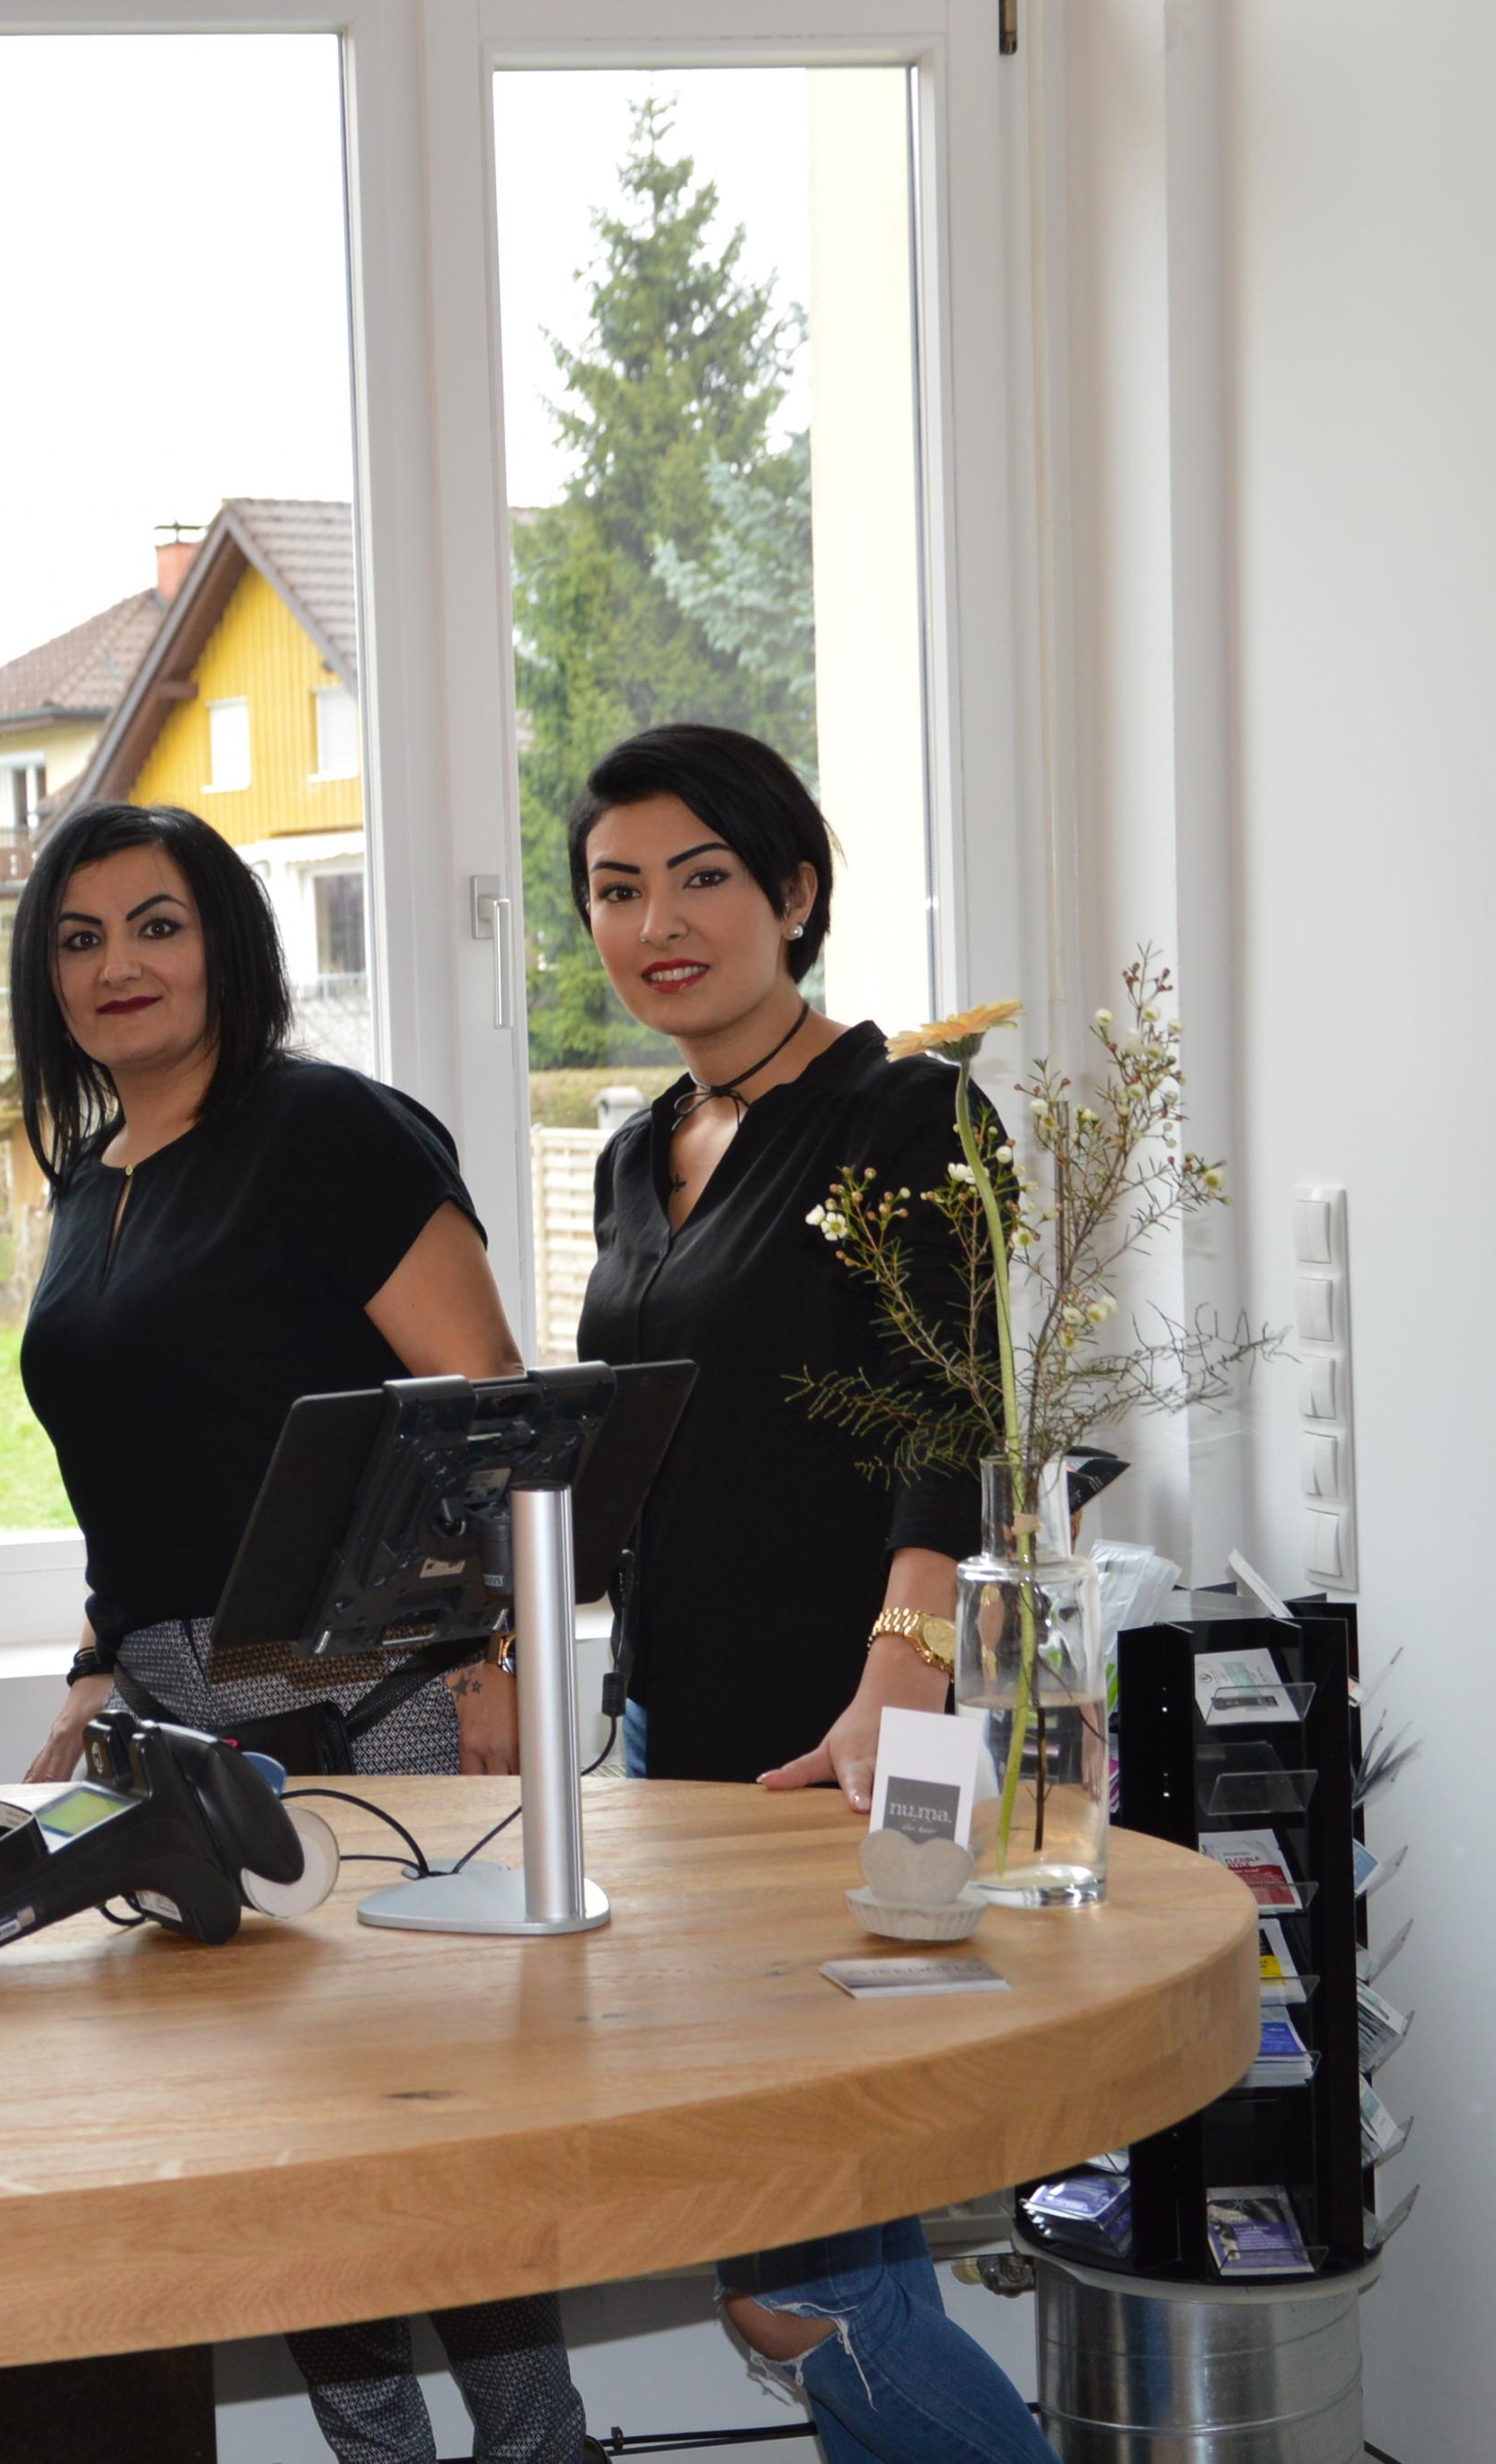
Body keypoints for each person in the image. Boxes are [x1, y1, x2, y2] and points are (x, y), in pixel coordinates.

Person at [7, 803, 592, 2464]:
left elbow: (490, 1406)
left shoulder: (328, 1128)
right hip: (187, 1728)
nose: (117, 964)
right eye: (78, 937)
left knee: (438, 2138)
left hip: (379, 1699)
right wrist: (95, 1671)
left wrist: (495, 1665)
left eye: (157, 923)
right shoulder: (86, 1187)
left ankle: (539, 2446)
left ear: (228, 943)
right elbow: (142, 1476)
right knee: (293, 2144)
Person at [571, 722, 1051, 2464]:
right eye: (616, 888)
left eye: (701, 876)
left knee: (811, 2281)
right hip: (680, 1747)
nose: (656, 923)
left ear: (792, 890)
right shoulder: (640, 1149)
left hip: (868, 1743)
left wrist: (900, 1679)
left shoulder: (909, 1112)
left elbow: (956, 1416)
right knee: (806, 2248)